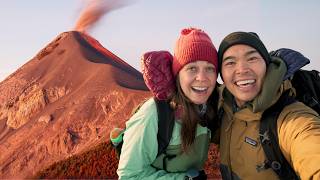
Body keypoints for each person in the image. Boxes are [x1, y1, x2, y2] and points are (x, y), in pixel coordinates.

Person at [117, 27, 220, 179]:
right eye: (192, 68)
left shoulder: (208, 108)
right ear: (178, 75)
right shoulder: (154, 114)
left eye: (210, 69)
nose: (202, 77)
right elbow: (129, 176)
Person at [216, 31, 320, 179]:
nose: (242, 69)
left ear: (267, 64)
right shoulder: (224, 107)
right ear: (221, 74)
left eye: (252, 58)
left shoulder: (291, 118)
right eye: (230, 62)